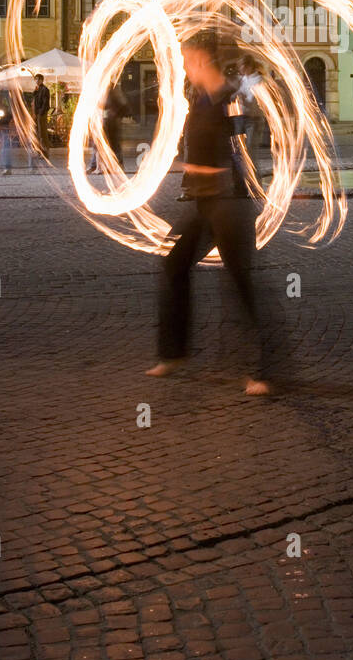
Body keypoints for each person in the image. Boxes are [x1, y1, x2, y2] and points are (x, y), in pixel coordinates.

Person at [147, 38, 274, 396]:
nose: (184, 67)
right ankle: (173, 354)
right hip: (205, 203)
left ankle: (261, 370)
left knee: (240, 282)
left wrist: (210, 171)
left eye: (188, 60)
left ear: (203, 59)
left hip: (231, 203)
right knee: (174, 266)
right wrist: (192, 168)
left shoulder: (231, 98)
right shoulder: (200, 99)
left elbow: (241, 153)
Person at [88, 81, 128, 172]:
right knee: (98, 143)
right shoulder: (99, 86)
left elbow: (121, 103)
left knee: (113, 143)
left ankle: (118, 165)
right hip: (103, 118)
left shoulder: (113, 87)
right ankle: (94, 165)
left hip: (112, 120)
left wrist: (114, 112)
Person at [238, 54, 264, 162]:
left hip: (254, 120)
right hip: (241, 118)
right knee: (241, 153)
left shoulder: (258, 80)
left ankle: (254, 178)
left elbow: (253, 102)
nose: (239, 68)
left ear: (248, 66)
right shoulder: (243, 79)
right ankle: (245, 177)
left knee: (250, 153)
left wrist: (242, 98)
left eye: (241, 66)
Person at [28, 73, 50, 167]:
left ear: (42, 80)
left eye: (38, 79)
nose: (36, 81)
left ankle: (45, 153)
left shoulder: (45, 90)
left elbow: (45, 103)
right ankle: (39, 151)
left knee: (42, 134)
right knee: (37, 133)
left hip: (41, 114)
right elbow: (34, 99)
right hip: (36, 114)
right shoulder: (37, 89)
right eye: (35, 79)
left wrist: (40, 113)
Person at [0, 107, 14, 175]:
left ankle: (7, 168)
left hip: (6, 136)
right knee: (4, 151)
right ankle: (6, 168)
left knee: (5, 151)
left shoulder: (7, 119)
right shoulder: (6, 119)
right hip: (5, 135)